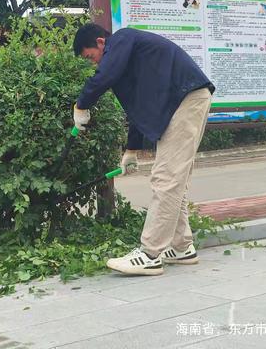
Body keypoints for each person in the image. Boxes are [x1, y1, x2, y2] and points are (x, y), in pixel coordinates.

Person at [72, 24, 214, 276]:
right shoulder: (129, 63)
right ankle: (182, 248)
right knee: (174, 179)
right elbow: (137, 110)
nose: (95, 65)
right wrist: (132, 150)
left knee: (166, 178)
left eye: (90, 57)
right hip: (183, 101)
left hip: (186, 99)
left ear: (101, 42)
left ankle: (150, 254)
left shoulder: (123, 38)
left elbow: (104, 75)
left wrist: (82, 104)